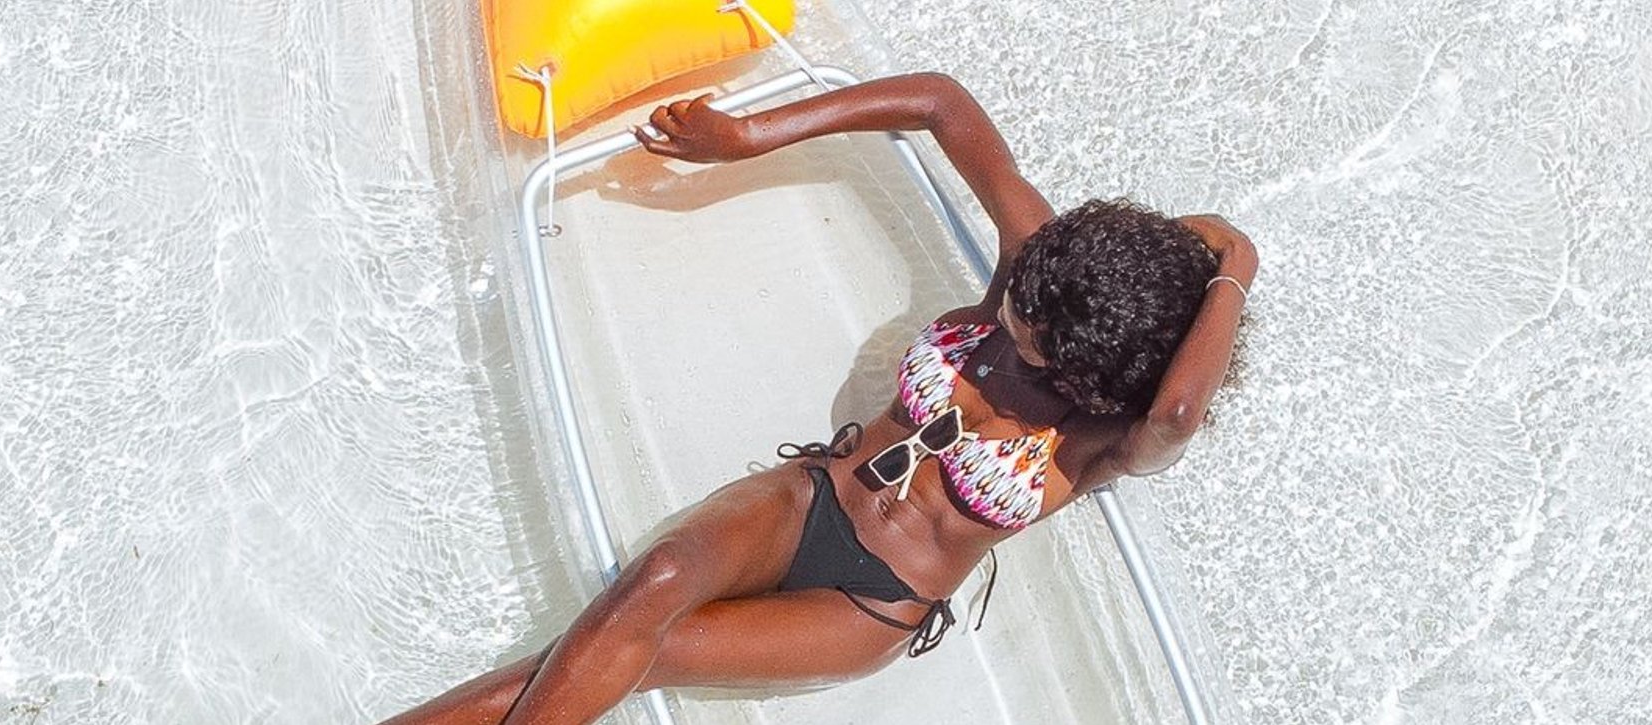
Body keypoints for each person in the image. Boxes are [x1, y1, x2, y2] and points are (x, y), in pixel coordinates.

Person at [385, 72, 1255, 725]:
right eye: (1015, 303)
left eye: (1031, 339)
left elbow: (1179, 413)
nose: (1010, 317)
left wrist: (1237, 261)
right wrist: (748, 135)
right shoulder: (1039, 272)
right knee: (648, 588)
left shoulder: (1110, 435)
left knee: (621, 655)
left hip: (868, 604)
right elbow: (939, 103)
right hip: (815, 495)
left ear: (1096, 374)